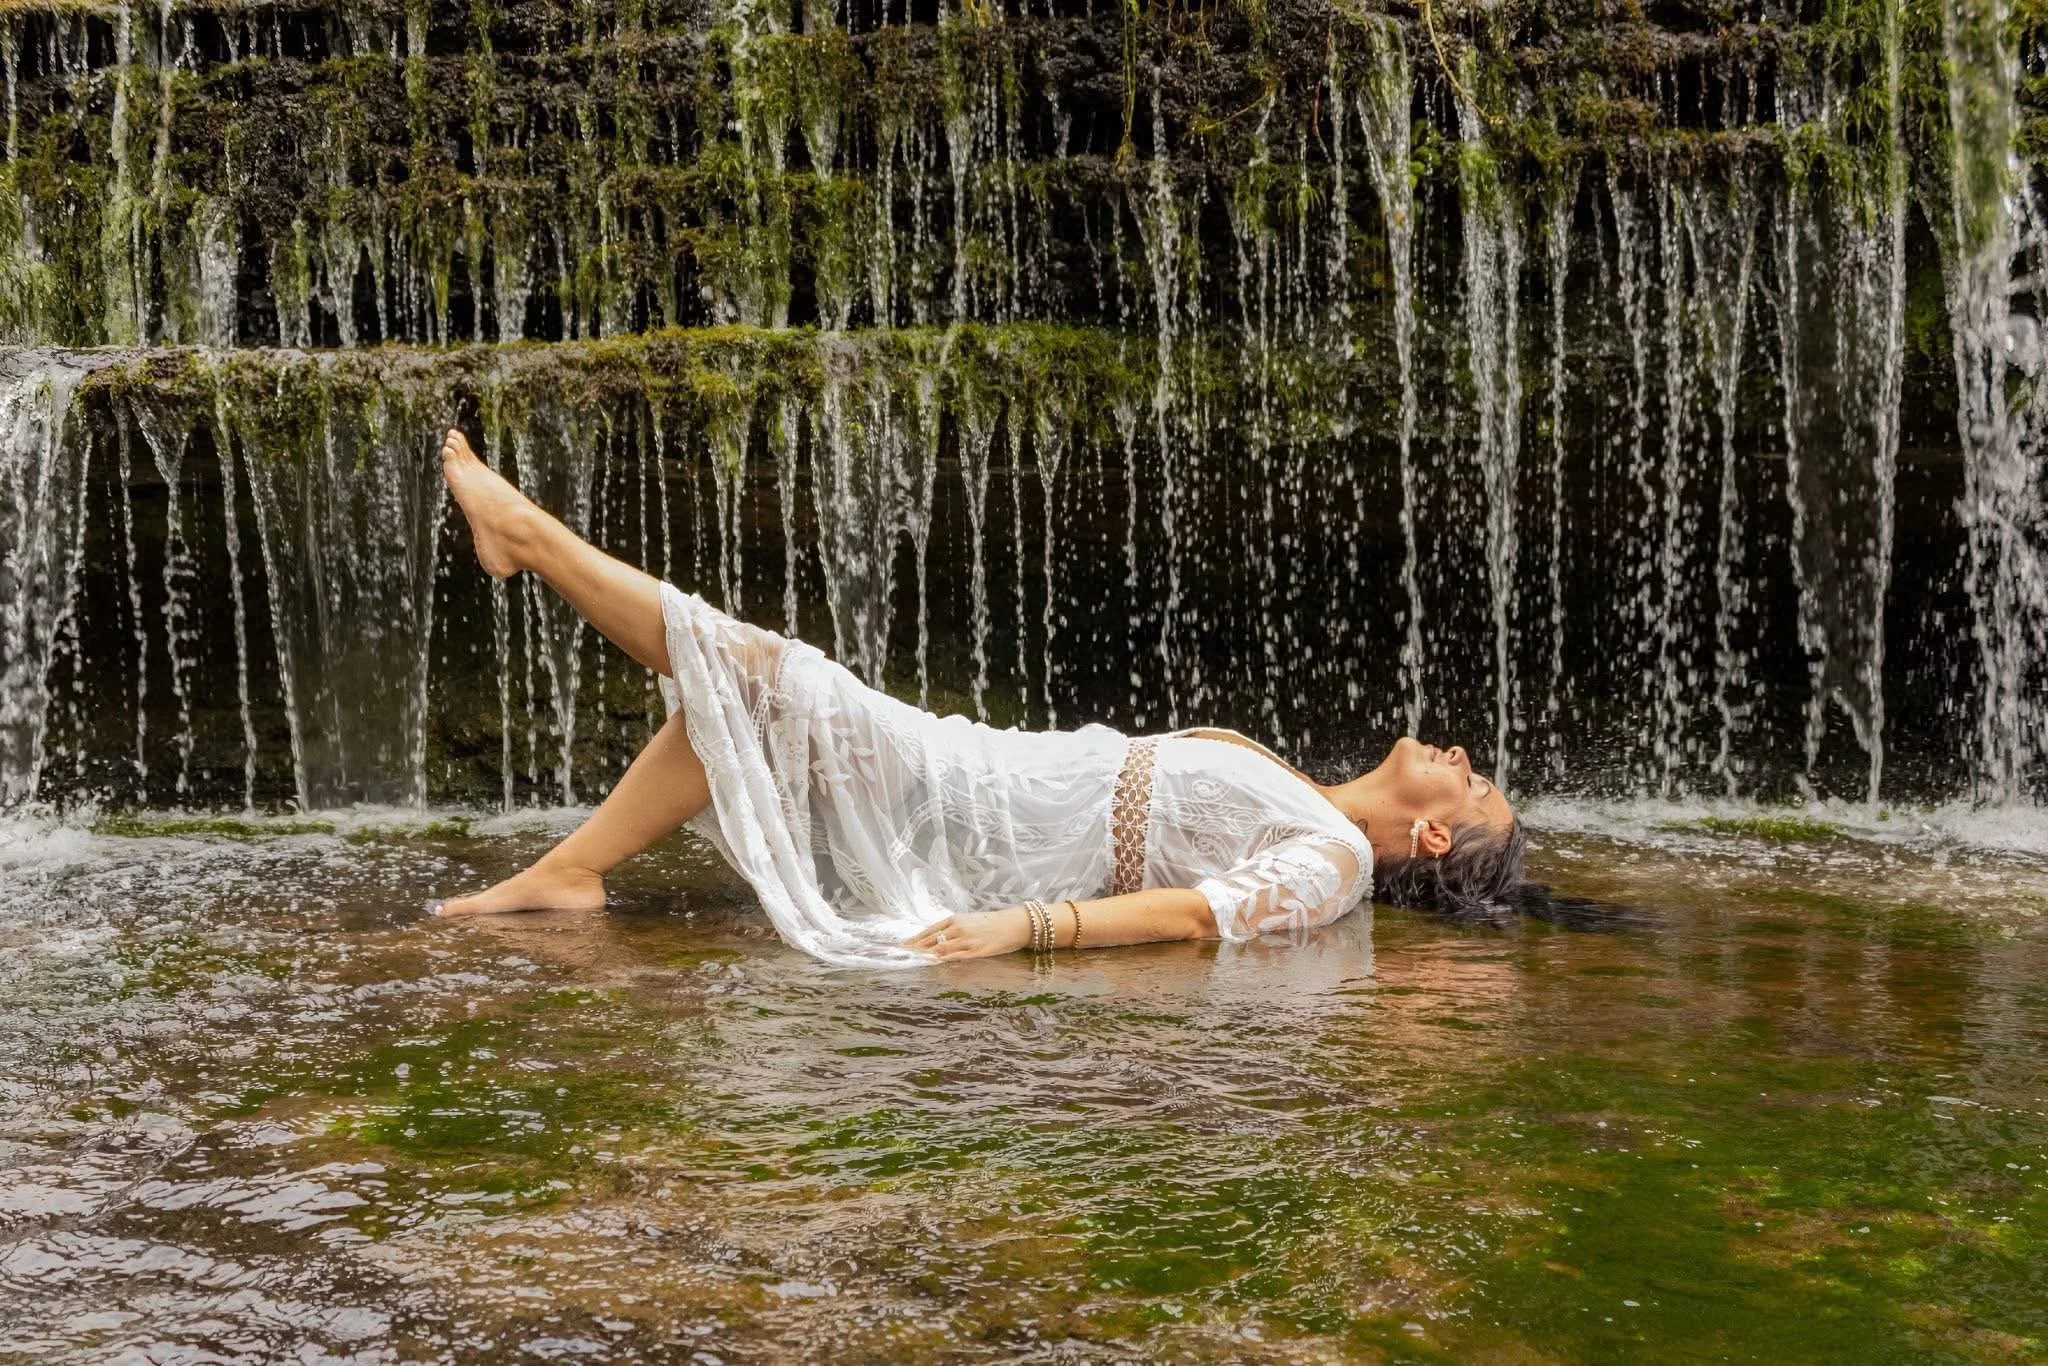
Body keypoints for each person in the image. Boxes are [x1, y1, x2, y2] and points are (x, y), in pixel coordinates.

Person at [433, 429, 1525, 966]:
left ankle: (528, 538)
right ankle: (568, 873)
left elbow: (1197, 918)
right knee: (751, 708)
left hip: (987, 826)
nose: (1460, 755)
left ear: (1430, 837)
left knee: (771, 675)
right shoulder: (1303, 798)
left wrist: (1023, 930)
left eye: (1470, 785)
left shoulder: (1332, 864)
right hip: (982, 764)